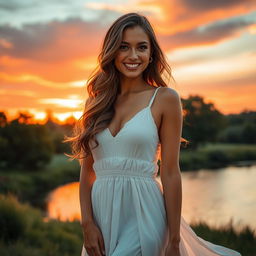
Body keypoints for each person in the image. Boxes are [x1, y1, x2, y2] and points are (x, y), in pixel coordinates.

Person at [65, 12, 242, 256]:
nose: (133, 55)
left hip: (144, 214)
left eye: (142, 47)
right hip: (101, 219)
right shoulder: (95, 104)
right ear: (112, 52)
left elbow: (170, 172)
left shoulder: (165, 99)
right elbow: (87, 172)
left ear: (151, 55)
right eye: (124, 47)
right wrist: (87, 224)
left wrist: (174, 240)